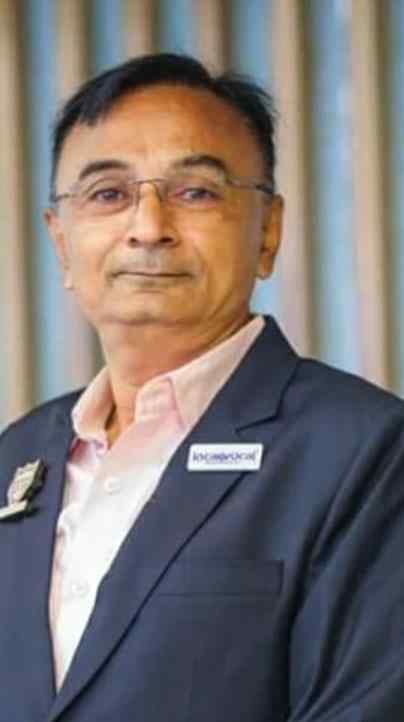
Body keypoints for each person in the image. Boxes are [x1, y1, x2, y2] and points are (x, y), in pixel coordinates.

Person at [1, 52, 404, 722]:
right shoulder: (18, 457)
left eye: (195, 192)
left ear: (267, 231)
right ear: (62, 243)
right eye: (108, 194)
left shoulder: (366, 452)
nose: (148, 227)